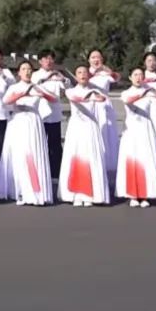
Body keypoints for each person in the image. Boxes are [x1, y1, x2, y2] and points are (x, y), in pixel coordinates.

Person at [0, 61, 55, 206]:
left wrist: (43, 93)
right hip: (18, 121)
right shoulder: (14, 87)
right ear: (19, 72)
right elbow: (5, 101)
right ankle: (20, 190)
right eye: (24, 69)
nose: (27, 72)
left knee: (34, 155)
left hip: (34, 121)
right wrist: (23, 93)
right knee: (20, 155)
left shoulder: (37, 87)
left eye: (29, 69)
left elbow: (54, 99)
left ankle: (35, 190)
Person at [59, 66, 111, 207]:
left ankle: (90, 193)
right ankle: (75, 193)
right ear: (75, 76)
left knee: (90, 157)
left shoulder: (95, 91)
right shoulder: (70, 91)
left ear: (89, 75)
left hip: (90, 126)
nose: (82, 75)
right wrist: (91, 95)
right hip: (76, 127)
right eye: (79, 72)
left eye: (85, 72)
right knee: (75, 157)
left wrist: (95, 94)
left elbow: (102, 99)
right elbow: (76, 98)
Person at [117, 68, 156, 208]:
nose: (138, 77)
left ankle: (145, 194)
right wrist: (144, 93)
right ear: (130, 77)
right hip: (132, 130)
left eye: (141, 75)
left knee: (146, 160)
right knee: (132, 161)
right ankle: (133, 194)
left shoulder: (149, 93)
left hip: (146, 129)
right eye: (135, 75)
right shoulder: (126, 93)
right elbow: (128, 101)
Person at [31, 50, 68, 183]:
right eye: (45, 59)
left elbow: (67, 86)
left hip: (54, 114)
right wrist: (47, 77)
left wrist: (62, 79)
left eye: (51, 59)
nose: (48, 61)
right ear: (40, 61)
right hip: (40, 113)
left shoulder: (57, 74)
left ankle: (55, 173)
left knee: (55, 144)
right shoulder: (35, 75)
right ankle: (39, 171)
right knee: (40, 143)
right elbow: (33, 86)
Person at [87, 50, 121, 180]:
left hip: (104, 104)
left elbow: (116, 78)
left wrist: (106, 70)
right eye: (93, 57)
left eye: (98, 57)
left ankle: (107, 163)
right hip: (90, 104)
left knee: (106, 133)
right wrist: (93, 72)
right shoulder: (85, 72)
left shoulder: (105, 74)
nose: (96, 60)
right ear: (89, 60)